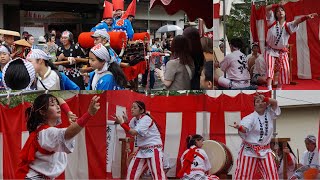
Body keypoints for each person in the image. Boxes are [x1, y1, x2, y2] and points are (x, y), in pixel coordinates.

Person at [15, 94, 100, 179]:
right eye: (52, 105)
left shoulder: (41, 130)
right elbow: (68, 133)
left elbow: (59, 99)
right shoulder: (46, 132)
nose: (58, 106)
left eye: (57, 104)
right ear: (42, 112)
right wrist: (89, 114)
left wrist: (68, 112)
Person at [265, 0, 318, 90]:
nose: (280, 12)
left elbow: (297, 21)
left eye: (282, 10)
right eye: (277, 11)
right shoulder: (271, 22)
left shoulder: (288, 25)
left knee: (285, 69)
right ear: (275, 15)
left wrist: (306, 17)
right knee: (269, 67)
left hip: (282, 51)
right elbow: (267, 8)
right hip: (270, 50)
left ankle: (279, 88)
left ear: (285, 13)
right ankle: (269, 87)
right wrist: (278, 5)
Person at [231, 93, 281, 179]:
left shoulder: (269, 113)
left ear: (266, 104)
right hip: (250, 150)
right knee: (244, 176)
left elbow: (275, 102)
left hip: (265, 150)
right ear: (254, 106)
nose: (260, 103)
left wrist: (266, 99)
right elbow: (245, 129)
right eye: (257, 102)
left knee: (272, 175)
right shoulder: (250, 118)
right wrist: (239, 127)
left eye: (263, 102)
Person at [114, 101, 166, 180]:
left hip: (153, 149)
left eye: (135, 108)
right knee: (131, 173)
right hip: (142, 150)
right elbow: (129, 131)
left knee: (157, 175)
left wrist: (122, 123)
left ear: (141, 111)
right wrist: (125, 122)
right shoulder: (134, 120)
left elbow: (133, 132)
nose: (132, 109)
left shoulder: (146, 119)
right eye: (131, 107)